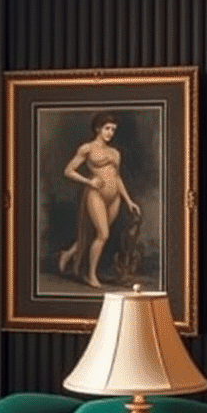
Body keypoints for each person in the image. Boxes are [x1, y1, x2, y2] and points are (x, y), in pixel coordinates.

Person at [57, 111, 140, 288]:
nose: (110, 132)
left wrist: (129, 201)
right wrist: (89, 181)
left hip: (114, 198)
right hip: (96, 194)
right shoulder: (87, 148)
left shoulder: (115, 152)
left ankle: (68, 253)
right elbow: (68, 170)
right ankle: (91, 275)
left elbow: (117, 178)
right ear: (97, 129)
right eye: (107, 128)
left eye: (113, 129)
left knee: (96, 235)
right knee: (103, 234)